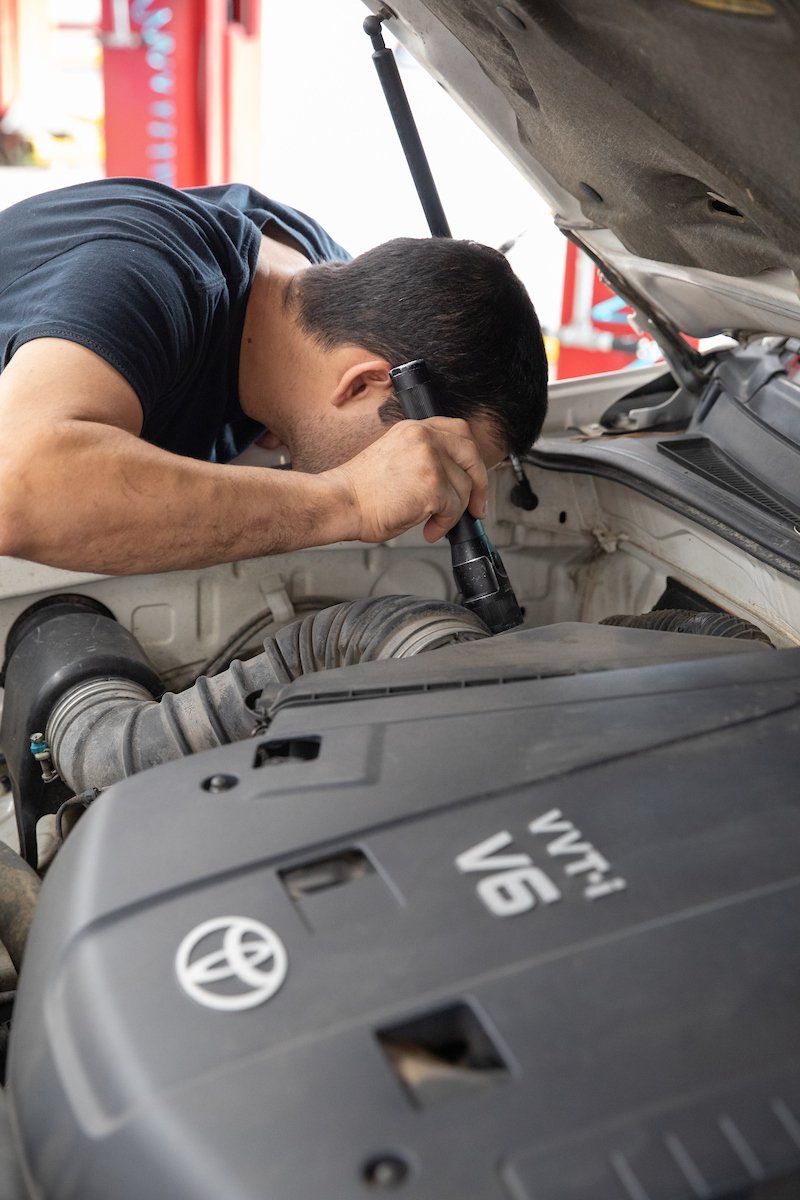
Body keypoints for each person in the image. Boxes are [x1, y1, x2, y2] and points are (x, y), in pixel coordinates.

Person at [0, 179, 548, 575]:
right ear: (360, 384)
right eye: (426, 450)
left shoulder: (324, 289)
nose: (428, 492)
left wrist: (296, 426)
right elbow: (16, 491)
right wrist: (347, 497)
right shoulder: (145, 276)